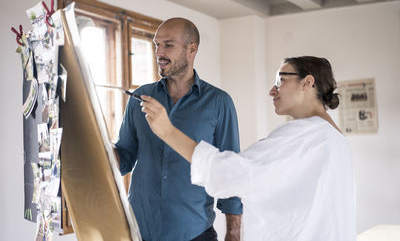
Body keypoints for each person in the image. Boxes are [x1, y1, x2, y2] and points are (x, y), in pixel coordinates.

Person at [141, 56, 357, 241]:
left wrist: (168, 132)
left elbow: (233, 173)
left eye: (281, 80)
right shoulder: (335, 138)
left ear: (307, 82)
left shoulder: (305, 134)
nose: (273, 90)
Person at [114, 17, 243, 241]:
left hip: (194, 233)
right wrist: (95, 147)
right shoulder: (139, 98)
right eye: (156, 45)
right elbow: (124, 157)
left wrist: (233, 233)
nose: (159, 52)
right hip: (139, 232)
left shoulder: (219, 102)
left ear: (191, 49)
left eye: (168, 45)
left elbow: (229, 171)